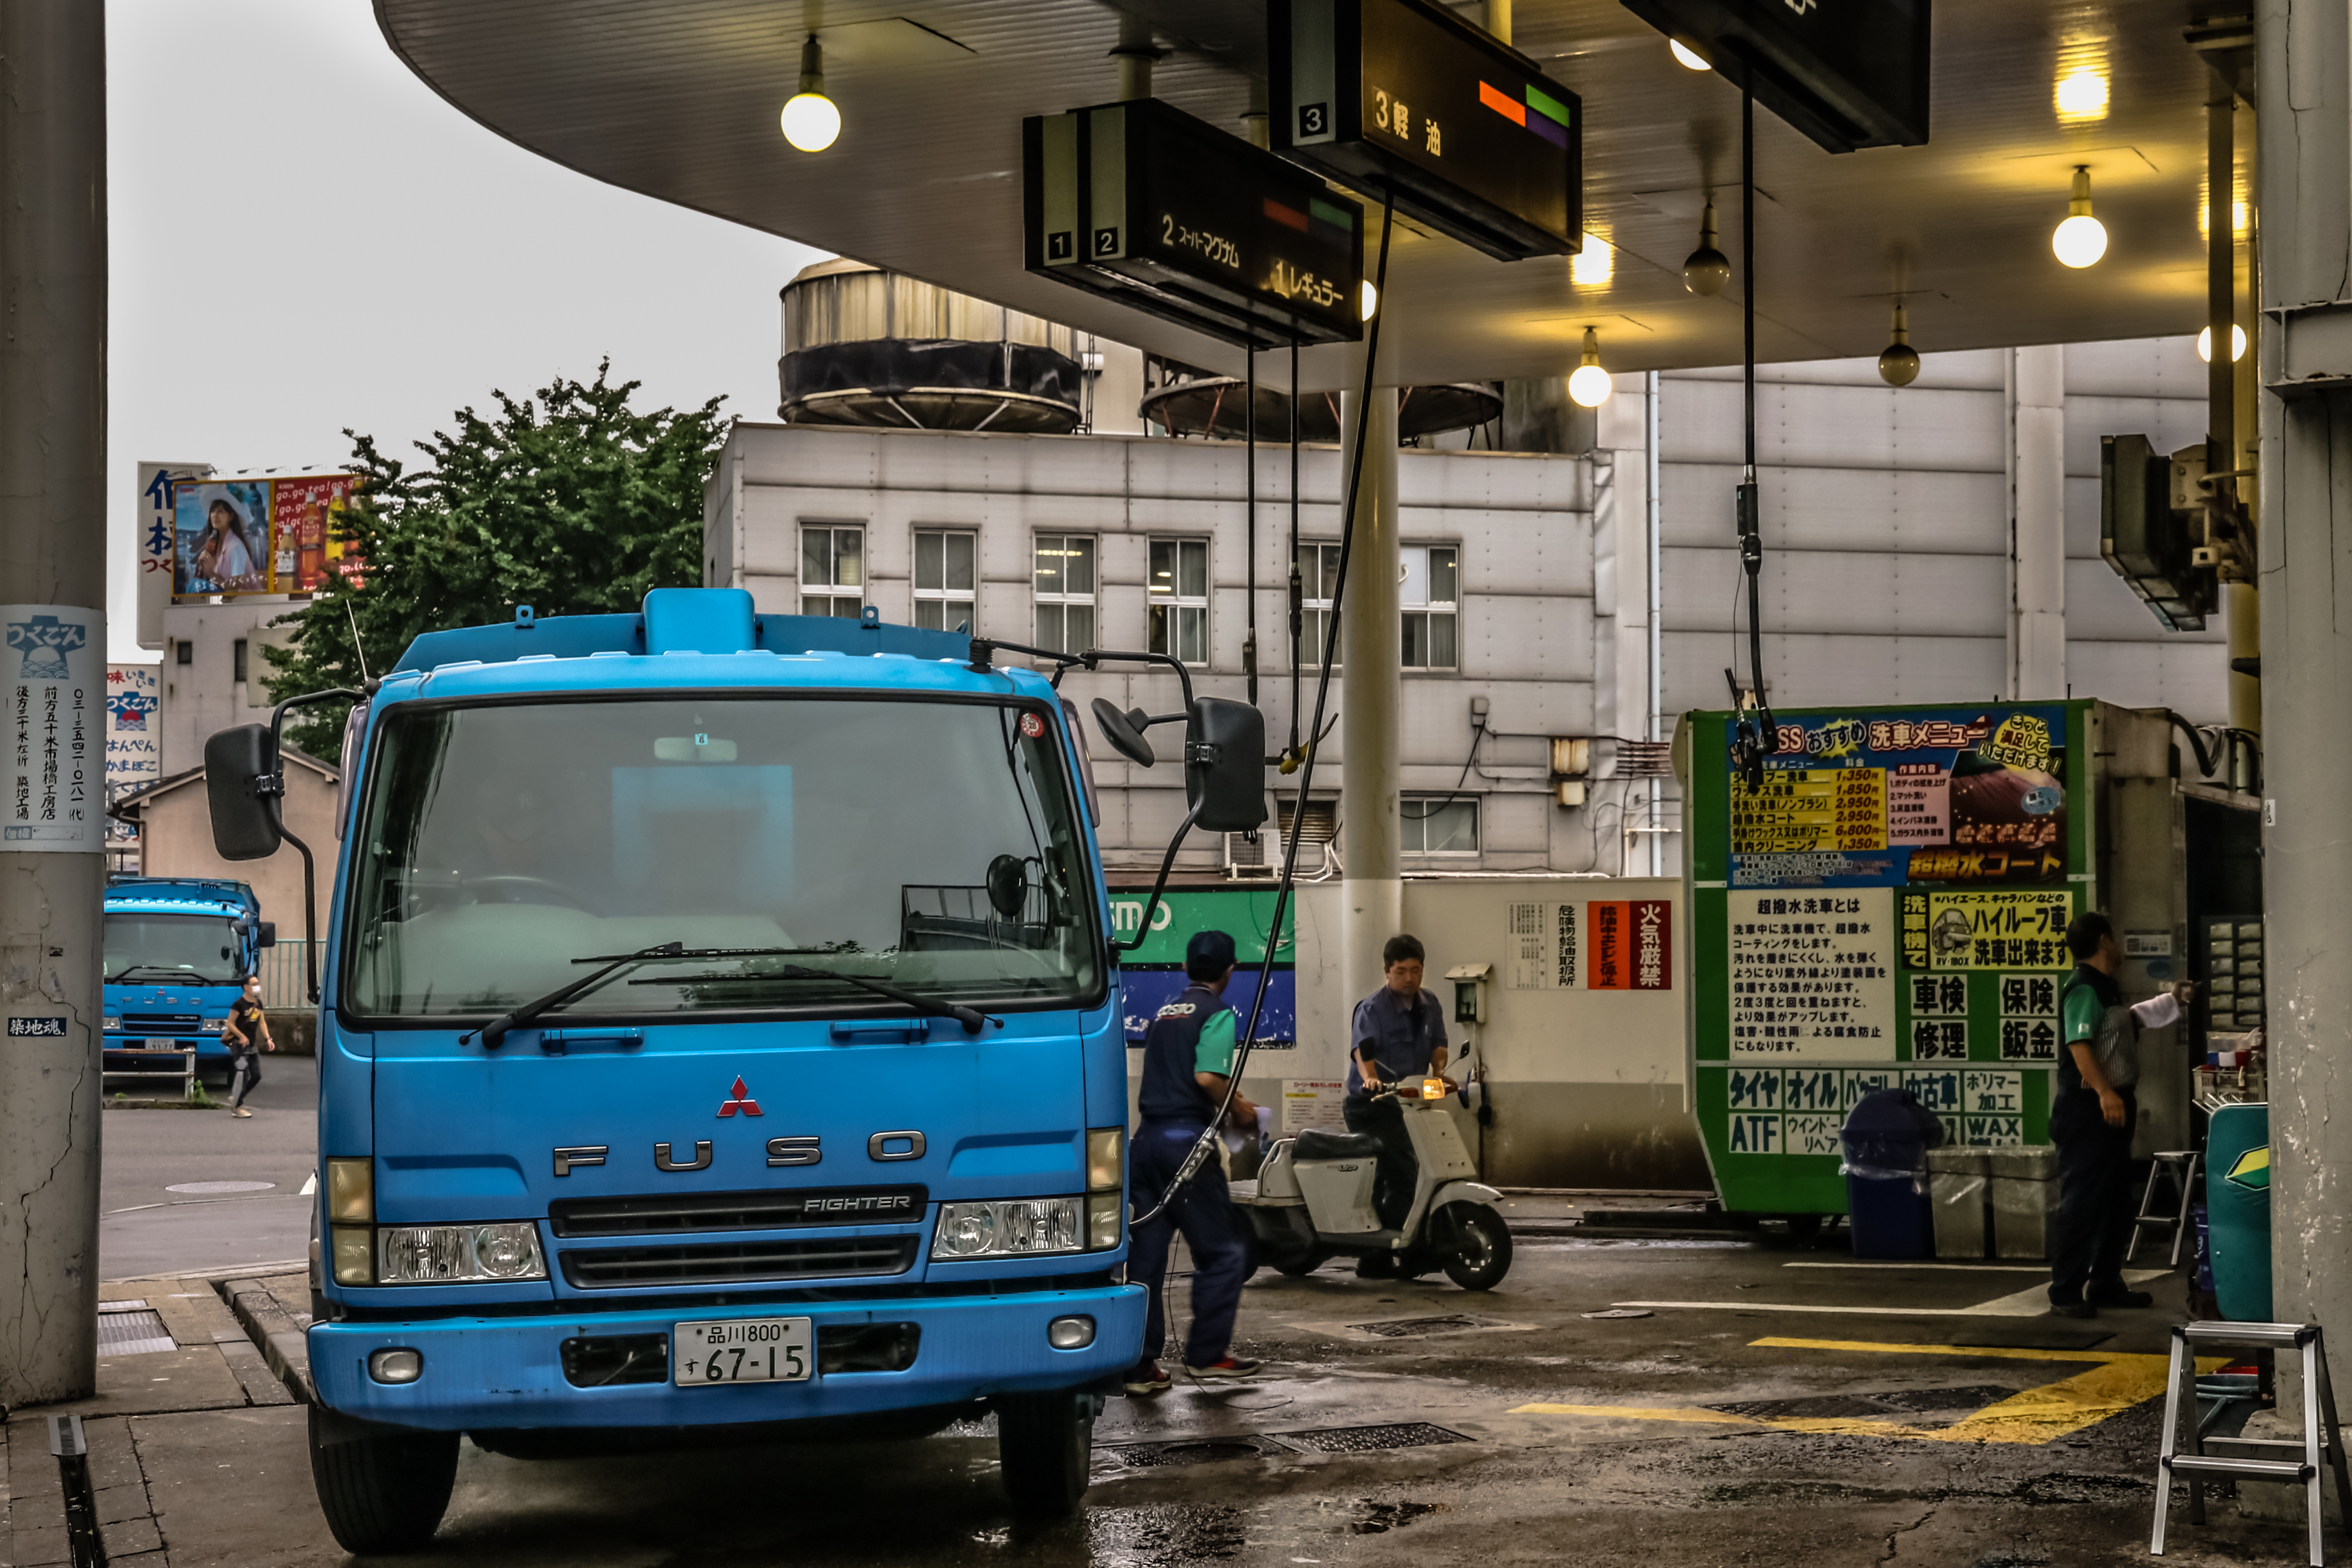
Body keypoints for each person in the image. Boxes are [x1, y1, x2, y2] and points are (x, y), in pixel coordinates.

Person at [1124, 930, 1265, 1395]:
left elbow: (1179, 1073)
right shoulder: (1218, 1013)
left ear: (1186, 968)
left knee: (1145, 1262)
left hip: (1145, 1145)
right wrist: (1241, 1110)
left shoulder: (1164, 1013)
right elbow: (1206, 1076)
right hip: (1186, 1145)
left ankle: (1140, 1367)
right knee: (1224, 1252)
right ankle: (1208, 1356)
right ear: (1231, 971)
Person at [2048, 911, 2194, 1318]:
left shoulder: (2106, 990)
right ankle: (2064, 1290)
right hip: (2088, 1108)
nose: (2120, 942)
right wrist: (2104, 1091)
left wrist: (2172, 999)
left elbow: (2125, 1021)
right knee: (2082, 1200)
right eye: (2115, 934)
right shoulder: (2082, 988)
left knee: (2114, 1199)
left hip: (2111, 1104)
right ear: (2104, 941)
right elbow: (2079, 1045)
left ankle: (2106, 1282)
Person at [1343, 933, 1454, 1276]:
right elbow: (1364, 1050)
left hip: (1409, 1102)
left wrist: (1440, 1071)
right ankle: (1379, 1253)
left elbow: (1438, 1042)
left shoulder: (1430, 1003)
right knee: (1400, 1172)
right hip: (1371, 1104)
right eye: (1401, 971)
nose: (1409, 978)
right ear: (1387, 972)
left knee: (1417, 1172)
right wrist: (1370, 1077)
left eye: (1416, 971)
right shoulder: (1372, 1008)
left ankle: (1403, 1248)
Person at [221, 977, 277, 1119]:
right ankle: (237, 1107)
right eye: (254, 984)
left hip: (252, 1045)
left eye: (258, 983)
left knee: (256, 1075)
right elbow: (230, 1024)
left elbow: (262, 1022)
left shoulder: (258, 1003)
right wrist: (241, 1036)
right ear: (246, 987)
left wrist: (268, 1038)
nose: (257, 986)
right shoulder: (239, 1004)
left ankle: (237, 1098)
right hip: (239, 1046)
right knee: (243, 1075)